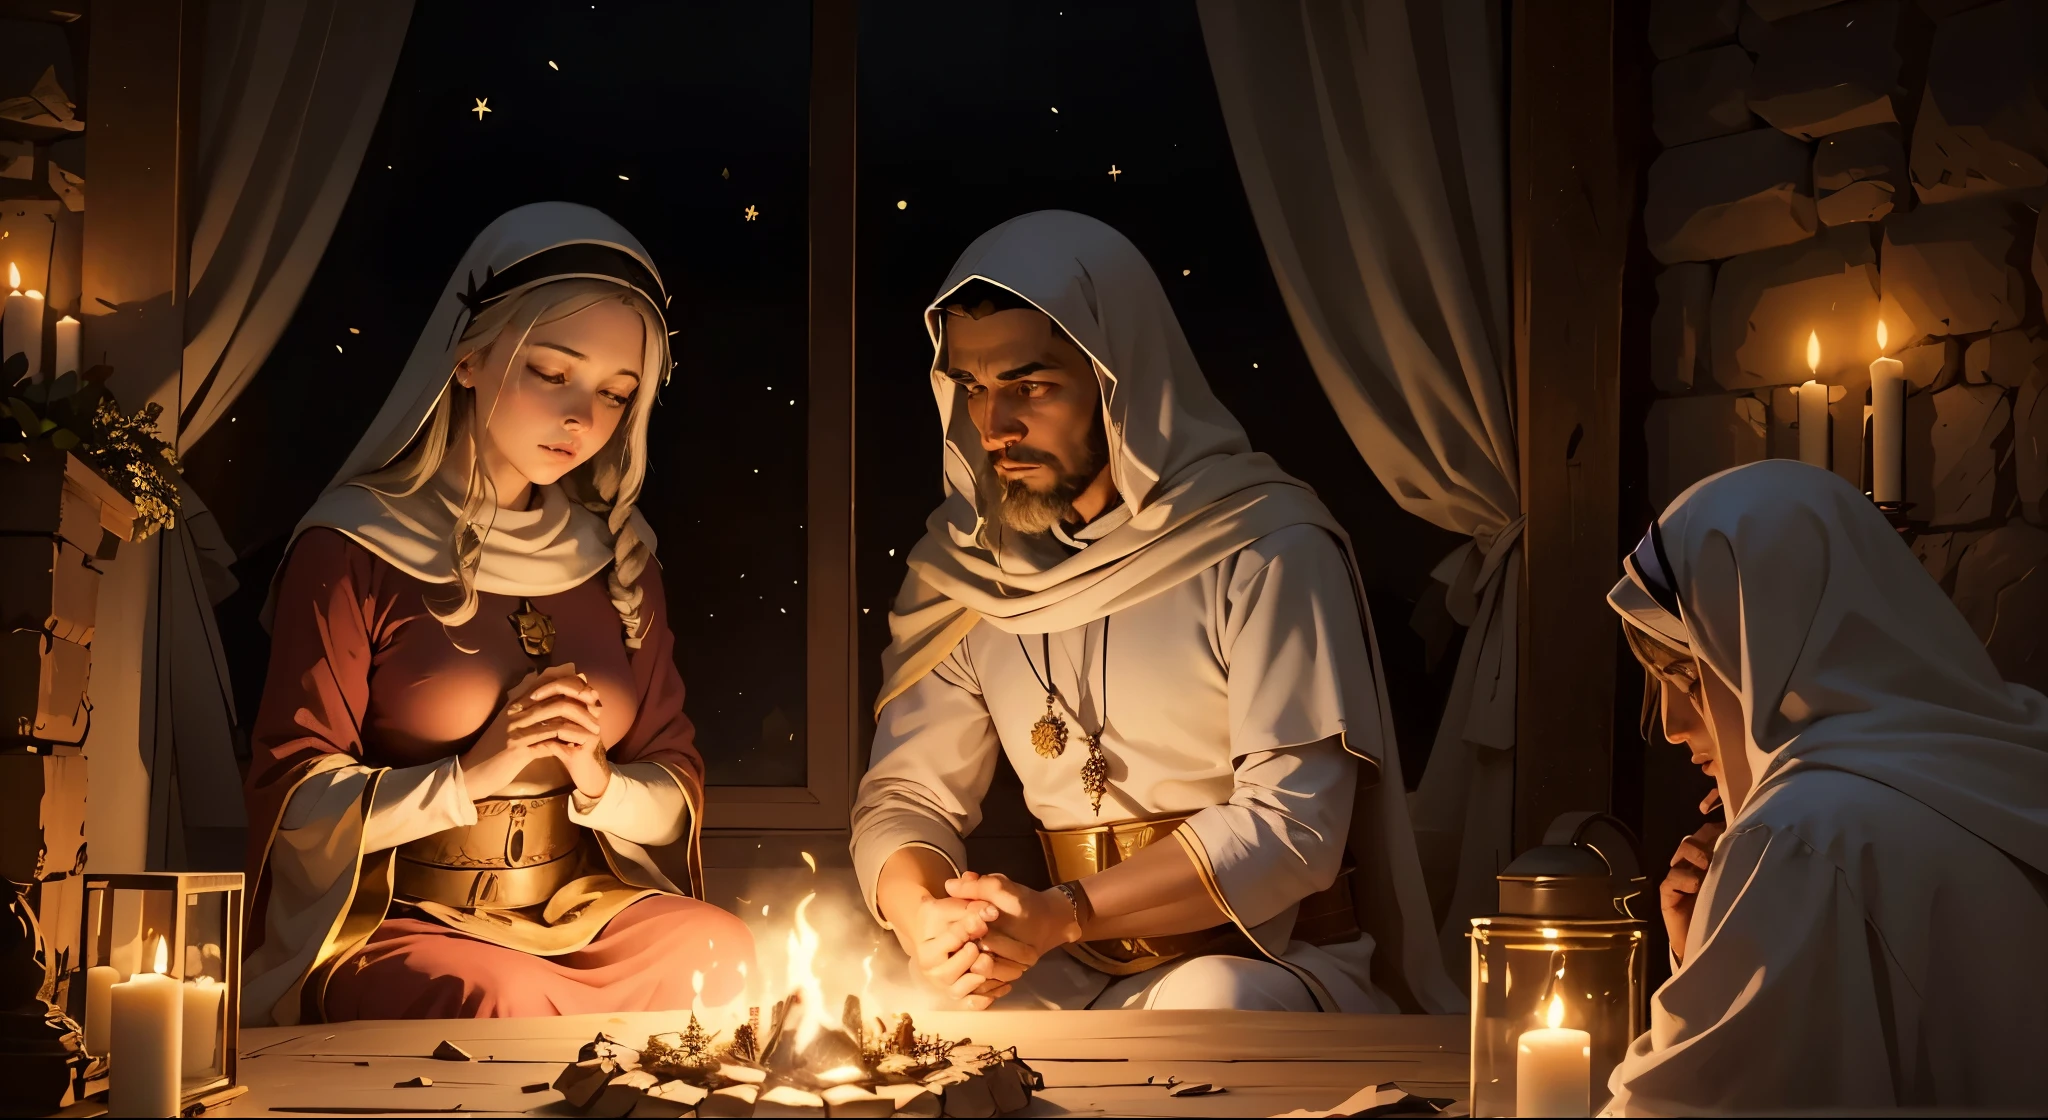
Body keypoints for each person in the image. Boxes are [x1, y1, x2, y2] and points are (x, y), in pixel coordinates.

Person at [850, 210, 1458, 1015]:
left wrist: (1059, 916)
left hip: (1269, 960)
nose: (993, 428)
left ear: (1119, 376)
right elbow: (907, 799)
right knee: (897, 1009)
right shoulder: (966, 573)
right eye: (972, 388)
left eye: (1029, 386)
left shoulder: (1266, 546)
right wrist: (927, 918)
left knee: (1206, 1001)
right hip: (1070, 960)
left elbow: (1292, 830)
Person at [240, 203, 753, 1025]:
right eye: (553, 374)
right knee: (495, 999)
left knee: (719, 948)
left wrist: (595, 775)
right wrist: (473, 774)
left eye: (617, 395)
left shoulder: (618, 556)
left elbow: (672, 786)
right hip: (406, 917)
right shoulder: (353, 545)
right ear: (470, 357)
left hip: (576, 907)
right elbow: (294, 798)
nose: (582, 418)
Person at [1603, 459, 2048, 1113]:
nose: (1671, 725)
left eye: (1691, 679)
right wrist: (1709, 951)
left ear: (1777, 645)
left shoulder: (1800, 835)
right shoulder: (2010, 758)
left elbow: (1692, 1105)